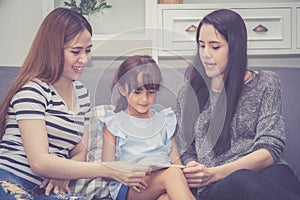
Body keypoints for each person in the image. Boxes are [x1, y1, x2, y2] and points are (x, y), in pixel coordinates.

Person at [0, 7, 150, 199]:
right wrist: (109, 169)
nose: (84, 59)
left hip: (46, 189)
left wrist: (64, 172)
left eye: (88, 50)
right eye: (76, 51)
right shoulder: (32, 91)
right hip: (11, 179)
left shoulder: (81, 93)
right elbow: (39, 163)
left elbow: (80, 151)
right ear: (52, 50)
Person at [176, 8, 300, 200]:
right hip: (217, 186)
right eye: (201, 46)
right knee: (242, 179)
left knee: (283, 175)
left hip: (261, 173)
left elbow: (271, 149)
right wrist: (198, 170)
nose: (206, 54)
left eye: (214, 47)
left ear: (235, 48)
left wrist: (213, 173)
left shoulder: (266, 83)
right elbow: (187, 150)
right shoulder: (188, 93)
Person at [100, 55, 195, 200]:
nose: (144, 99)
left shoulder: (165, 120)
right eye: (137, 92)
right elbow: (107, 170)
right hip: (132, 186)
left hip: (163, 180)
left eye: (150, 92)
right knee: (173, 175)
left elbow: (176, 164)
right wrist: (129, 176)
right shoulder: (114, 122)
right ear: (122, 89)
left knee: (167, 196)